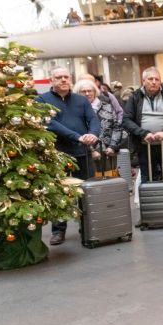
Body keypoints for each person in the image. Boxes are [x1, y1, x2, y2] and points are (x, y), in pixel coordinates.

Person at [38, 67, 100, 245]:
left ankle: (87, 226)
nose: (63, 80)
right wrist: (77, 136)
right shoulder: (42, 100)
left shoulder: (81, 100)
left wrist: (93, 134)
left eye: (66, 77)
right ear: (51, 80)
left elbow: (93, 119)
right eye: (59, 77)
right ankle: (58, 230)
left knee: (86, 191)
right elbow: (51, 124)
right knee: (59, 193)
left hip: (83, 153)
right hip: (57, 154)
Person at [121, 67, 163, 221]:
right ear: (144, 81)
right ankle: (147, 213)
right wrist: (143, 133)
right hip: (145, 145)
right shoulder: (135, 97)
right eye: (150, 79)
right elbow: (126, 120)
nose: (154, 82)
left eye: (157, 79)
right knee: (146, 178)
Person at [73, 79, 124, 159]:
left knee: (111, 171)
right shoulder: (75, 110)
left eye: (90, 91)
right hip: (87, 155)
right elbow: (78, 132)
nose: (87, 94)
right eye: (83, 92)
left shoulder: (107, 106)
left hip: (109, 152)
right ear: (78, 94)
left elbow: (117, 127)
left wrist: (112, 147)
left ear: (94, 92)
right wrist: (92, 151)